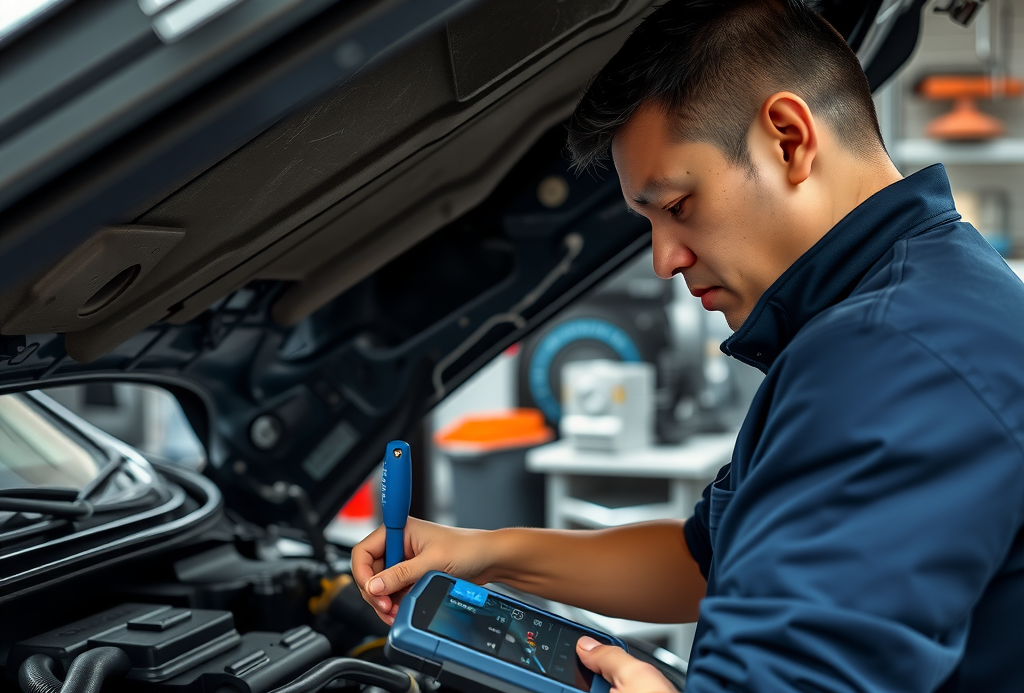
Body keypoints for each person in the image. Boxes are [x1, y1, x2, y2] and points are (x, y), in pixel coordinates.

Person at [354, 1, 1024, 691]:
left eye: (677, 206)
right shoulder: (905, 304)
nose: (664, 259)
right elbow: (701, 561)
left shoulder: (892, 357)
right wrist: (488, 552)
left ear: (789, 139)